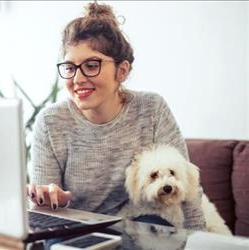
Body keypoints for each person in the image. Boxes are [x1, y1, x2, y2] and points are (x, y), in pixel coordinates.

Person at [26, 1, 206, 231]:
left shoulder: (152, 108)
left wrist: (201, 241)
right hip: (76, 229)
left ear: (122, 71)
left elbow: (188, 187)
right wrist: (50, 201)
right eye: (70, 68)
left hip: (139, 225)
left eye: (91, 65)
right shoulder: (51, 122)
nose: (78, 79)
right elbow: (42, 214)